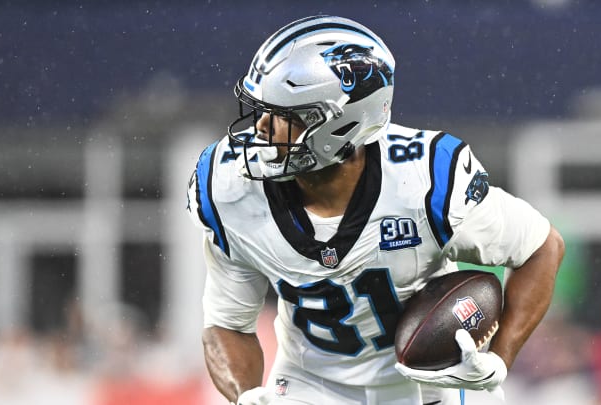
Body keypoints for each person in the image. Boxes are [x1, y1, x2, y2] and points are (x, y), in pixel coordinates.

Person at [186, 15, 564, 405]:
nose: (261, 128)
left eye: (285, 116)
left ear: (342, 127)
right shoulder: (229, 186)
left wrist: (498, 361)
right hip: (309, 386)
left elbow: (542, 246)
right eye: (262, 110)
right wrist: (246, 396)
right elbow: (228, 326)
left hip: (431, 385)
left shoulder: (426, 180)